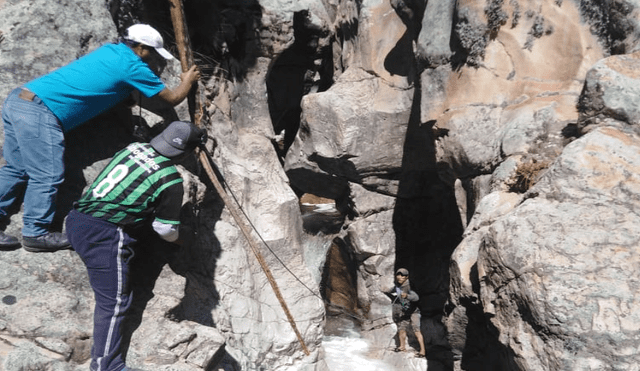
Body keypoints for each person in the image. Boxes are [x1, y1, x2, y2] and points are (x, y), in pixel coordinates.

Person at [0, 24, 200, 252]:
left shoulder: (109, 51)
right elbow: (172, 98)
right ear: (142, 48)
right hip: (42, 112)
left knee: (15, 169)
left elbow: (101, 82)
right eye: (152, 53)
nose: (152, 59)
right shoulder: (132, 66)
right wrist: (187, 80)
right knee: (48, 174)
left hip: (19, 100)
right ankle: (36, 233)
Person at [65, 120, 206, 371]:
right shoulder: (170, 179)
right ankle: (106, 366)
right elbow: (165, 229)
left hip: (77, 220)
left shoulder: (132, 149)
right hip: (105, 236)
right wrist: (181, 239)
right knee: (116, 302)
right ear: (186, 152)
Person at [384, 268, 426, 358]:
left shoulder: (410, 286)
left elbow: (416, 298)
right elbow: (391, 291)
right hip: (405, 312)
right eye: (398, 275)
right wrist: (386, 291)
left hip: (414, 312)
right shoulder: (398, 287)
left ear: (406, 277)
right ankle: (402, 347)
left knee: (417, 330)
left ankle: (423, 351)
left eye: (402, 275)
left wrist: (407, 296)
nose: (399, 277)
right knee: (401, 329)